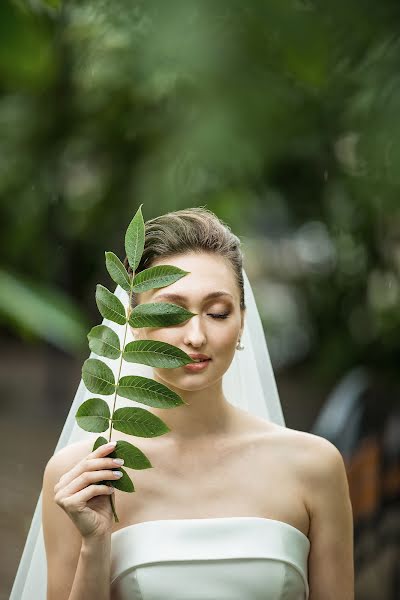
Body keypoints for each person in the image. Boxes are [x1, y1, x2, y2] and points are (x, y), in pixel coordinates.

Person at [16, 208, 354, 599]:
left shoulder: (314, 467)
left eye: (217, 312)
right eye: (171, 312)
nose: (195, 336)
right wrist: (95, 544)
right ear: (134, 320)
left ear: (242, 321)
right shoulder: (83, 476)